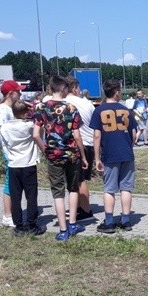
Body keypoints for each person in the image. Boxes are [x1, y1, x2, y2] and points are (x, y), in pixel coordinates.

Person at [33, 76, 88, 242]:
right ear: (64, 89)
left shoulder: (41, 108)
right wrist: (83, 156)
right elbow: (77, 136)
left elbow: (36, 134)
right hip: (71, 154)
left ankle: (63, 230)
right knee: (73, 188)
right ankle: (72, 223)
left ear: (50, 89)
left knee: (57, 192)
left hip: (53, 155)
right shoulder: (72, 108)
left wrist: (45, 150)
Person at [91, 79, 137, 234]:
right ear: (117, 92)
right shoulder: (126, 110)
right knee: (126, 187)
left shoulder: (99, 110)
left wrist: (97, 158)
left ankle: (109, 221)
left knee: (109, 189)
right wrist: (129, 148)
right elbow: (134, 134)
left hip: (109, 154)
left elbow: (97, 136)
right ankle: (125, 219)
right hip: (126, 153)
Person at [0, 100, 45, 236]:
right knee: (31, 196)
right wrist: (35, 110)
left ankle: (18, 225)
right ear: (26, 113)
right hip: (28, 164)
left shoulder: (5, 128)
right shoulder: (30, 126)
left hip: (13, 164)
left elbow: (5, 144)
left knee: (15, 197)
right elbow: (40, 131)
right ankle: (32, 224)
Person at [64, 77, 96, 221]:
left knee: (78, 179)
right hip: (89, 143)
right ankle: (77, 207)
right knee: (80, 179)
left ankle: (85, 210)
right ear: (76, 88)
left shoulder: (66, 103)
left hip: (78, 144)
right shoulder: (87, 102)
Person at [0, 80, 24, 227]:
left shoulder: (11, 108)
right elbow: (4, 131)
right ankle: (7, 216)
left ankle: (11, 213)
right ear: (10, 93)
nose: (20, 93)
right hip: (9, 152)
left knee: (14, 183)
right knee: (9, 183)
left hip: (15, 151)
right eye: (18, 91)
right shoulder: (3, 110)